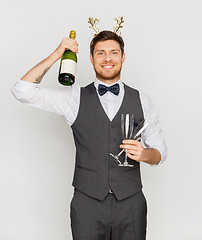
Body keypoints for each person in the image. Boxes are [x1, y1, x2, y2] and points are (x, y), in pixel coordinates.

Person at [12, 30, 167, 240]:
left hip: (131, 202)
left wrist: (144, 154)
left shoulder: (142, 100)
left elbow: (160, 153)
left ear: (123, 57)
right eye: (100, 53)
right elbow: (22, 91)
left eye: (114, 52)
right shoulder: (74, 98)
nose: (108, 58)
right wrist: (58, 54)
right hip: (87, 204)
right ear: (91, 58)